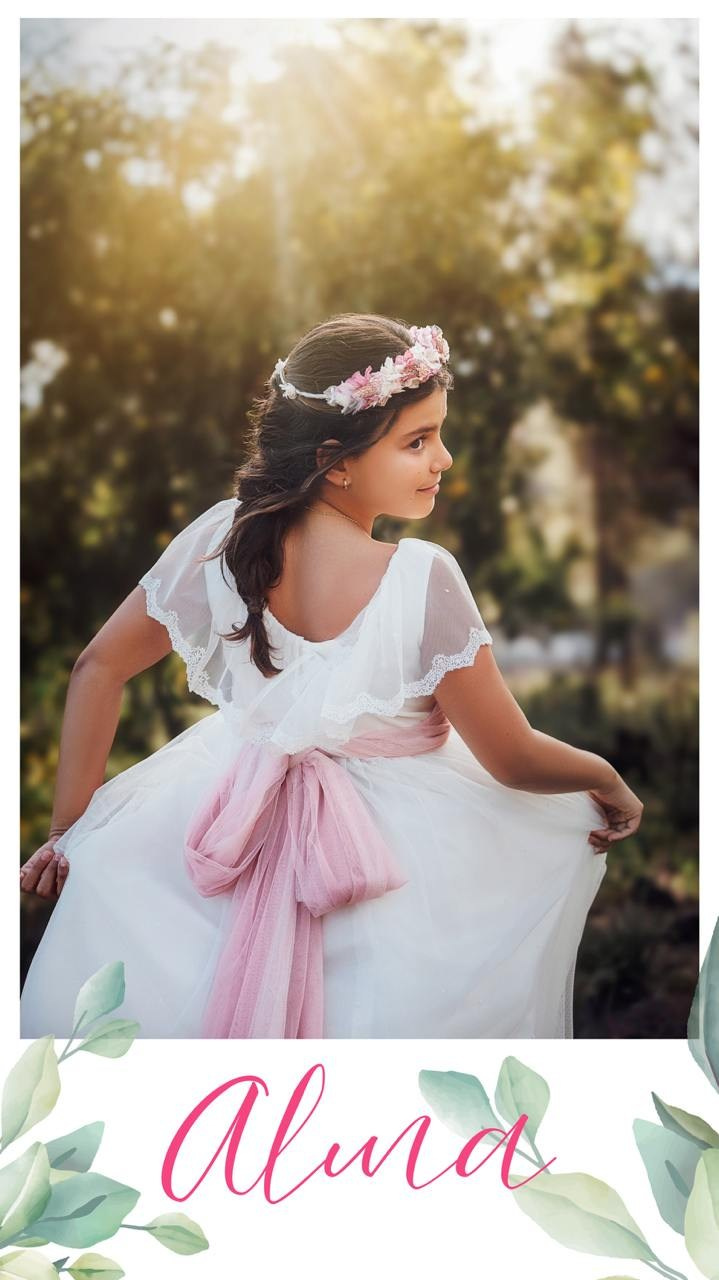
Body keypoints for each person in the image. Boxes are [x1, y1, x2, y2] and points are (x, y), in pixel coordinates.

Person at [20, 312, 643, 1039]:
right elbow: (510, 758)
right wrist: (603, 777)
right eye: (416, 441)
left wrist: (71, 830)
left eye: (438, 433)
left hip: (223, 816)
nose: (442, 458)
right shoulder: (421, 576)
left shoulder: (223, 537)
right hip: (388, 863)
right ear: (334, 460)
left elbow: (99, 665)